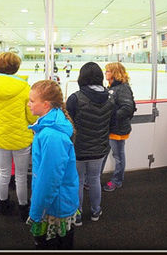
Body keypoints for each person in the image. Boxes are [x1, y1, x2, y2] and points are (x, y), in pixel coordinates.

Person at [0, 52, 38, 221]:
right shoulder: (25, 88)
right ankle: (23, 208)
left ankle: (3, 205)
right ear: (16, 67)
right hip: (21, 137)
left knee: (4, 173)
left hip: (0, 136)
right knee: (21, 176)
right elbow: (32, 116)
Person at [26, 80, 80, 250]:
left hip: (55, 206)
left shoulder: (51, 136)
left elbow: (49, 180)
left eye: (32, 101)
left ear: (46, 104)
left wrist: (36, 212)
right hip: (56, 201)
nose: (28, 104)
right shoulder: (48, 125)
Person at [65, 62, 114, 224]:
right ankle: (95, 211)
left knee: (78, 181)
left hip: (78, 149)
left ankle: (77, 215)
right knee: (94, 180)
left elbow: (68, 124)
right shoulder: (110, 99)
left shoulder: (74, 98)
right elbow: (111, 124)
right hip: (99, 149)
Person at [102, 62, 136, 192]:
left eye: (108, 71)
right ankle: (93, 179)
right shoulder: (111, 87)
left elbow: (127, 108)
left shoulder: (123, 88)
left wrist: (111, 118)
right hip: (109, 128)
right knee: (103, 153)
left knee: (118, 156)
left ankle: (117, 181)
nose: (106, 73)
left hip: (118, 129)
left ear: (115, 73)